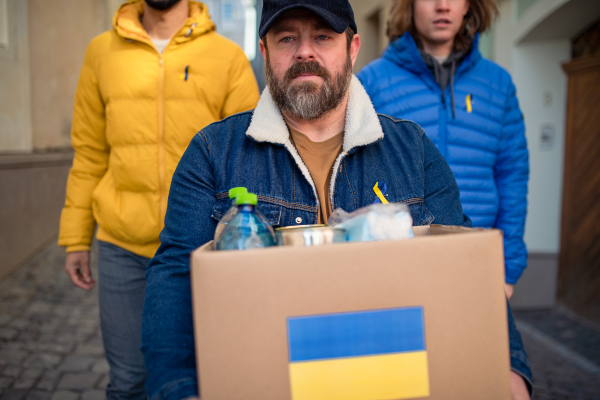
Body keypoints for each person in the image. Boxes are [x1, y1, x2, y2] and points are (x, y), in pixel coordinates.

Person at [141, 0, 532, 399]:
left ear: (353, 47)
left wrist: (511, 366)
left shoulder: (413, 149)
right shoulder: (213, 152)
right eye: (287, 38)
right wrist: (178, 387)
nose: (304, 51)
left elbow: (465, 262)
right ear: (265, 52)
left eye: (323, 36)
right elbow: (174, 276)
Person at [58, 0, 259, 398]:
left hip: (198, 247)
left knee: (202, 377)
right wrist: (76, 237)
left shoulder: (228, 57)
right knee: (130, 381)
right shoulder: (101, 52)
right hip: (122, 246)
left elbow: (247, 157)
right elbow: (90, 152)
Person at [357, 0, 529, 300]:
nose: (443, 5)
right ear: (408, 5)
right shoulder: (371, 82)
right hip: (397, 261)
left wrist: (507, 266)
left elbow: (512, 176)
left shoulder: (498, 84)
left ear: (469, 6)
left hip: (477, 258)